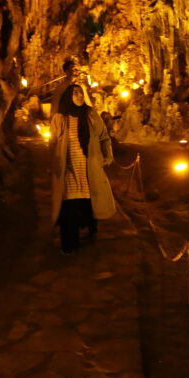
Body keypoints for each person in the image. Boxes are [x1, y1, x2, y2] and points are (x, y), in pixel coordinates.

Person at [50, 83, 116, 253]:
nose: (79, 96)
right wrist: (54, 164)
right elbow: (52, 144)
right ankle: (69, 245)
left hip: (89, 168)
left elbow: (104, 138)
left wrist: (107, 156)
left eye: (81, 93)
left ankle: (90, 227)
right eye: (75, 93)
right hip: (69, 170)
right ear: (68, 96)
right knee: (69, 208)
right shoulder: (60, 119)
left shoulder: (91, 115)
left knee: (88, 204)